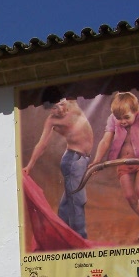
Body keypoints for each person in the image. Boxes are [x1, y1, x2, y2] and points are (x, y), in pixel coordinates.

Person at [90, 92, 139, 243]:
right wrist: (97, 160)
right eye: (119, 118)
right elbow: (105, 140)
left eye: (126, 118)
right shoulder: (113, 118)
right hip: (123, 162)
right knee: (130, 197)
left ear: (135, 111)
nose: (122, 121)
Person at [23, 87, 93, 239]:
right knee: (77, 201)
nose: (60, 109)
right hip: (73, 161)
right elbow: (41, 145)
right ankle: (80, 240)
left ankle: (60, 232)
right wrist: (29, 166)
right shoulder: (52, 121)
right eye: (54, 108)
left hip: (82, 159)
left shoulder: (72, 103)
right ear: (50, 110)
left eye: (61, 104)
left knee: (69, 200)